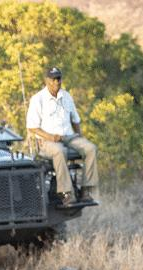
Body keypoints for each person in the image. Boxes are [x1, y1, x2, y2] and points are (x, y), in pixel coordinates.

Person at [26, 66, 98, 203]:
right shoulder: (38, 99)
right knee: (60, 151)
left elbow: (75, 120)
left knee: (91, 148)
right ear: (47, 80)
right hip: (47, 141)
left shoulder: (66, 96)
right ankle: (66, 193)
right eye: (53, 79)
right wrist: (49, 137)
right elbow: (32, 127)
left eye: (58, 78)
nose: (56, 82)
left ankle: (86, 190)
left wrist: (80, 138)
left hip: (68, 136)